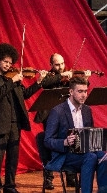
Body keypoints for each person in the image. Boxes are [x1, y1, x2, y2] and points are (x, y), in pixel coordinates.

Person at [0, 43, 47, 193]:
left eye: (10, 63)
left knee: (13, 157)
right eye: (5, 62)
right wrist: (12, 81)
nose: (8, 65)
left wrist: (38, 82)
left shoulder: (13, 78)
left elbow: (25, 94)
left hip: (16, 123)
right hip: (1, 123)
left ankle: (10, 185)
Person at [34, 53, 90, 189]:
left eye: (62, 63)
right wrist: (62, 75)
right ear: (51, 65)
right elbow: (45, 84)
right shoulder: (48, 76)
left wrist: (86, 78)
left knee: (70, 141)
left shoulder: (68, 78)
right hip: (49, 116)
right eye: (57, 64)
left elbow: (79, 87)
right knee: (49, 144)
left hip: (65, 116)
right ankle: (48, 178)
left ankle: (70, 176)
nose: (61, 66)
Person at [44, 76, 107, 193]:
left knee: (104, 157)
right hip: (64, 154)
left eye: (85, 91)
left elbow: (90, 134)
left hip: (84, 150)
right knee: (91, 157)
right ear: (71, 92)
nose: (84, 95)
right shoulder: (57, 111)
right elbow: (47, 141)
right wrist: (64, 142)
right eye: (80, 91)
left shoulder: (87, 110)